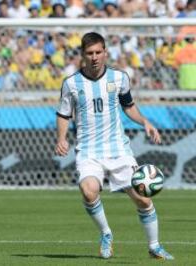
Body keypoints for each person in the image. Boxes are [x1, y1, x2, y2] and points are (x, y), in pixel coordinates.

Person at [55, 32, 174, 260]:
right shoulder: (71, 84)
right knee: (88, 191)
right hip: (88, 150)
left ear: (106, 52)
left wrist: (145, 122)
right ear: (82, 55)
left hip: (118, 149)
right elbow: (63, 114)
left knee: (143, 198)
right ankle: (106, 233)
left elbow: (128, 106)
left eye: (99, 52)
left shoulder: (119, 78)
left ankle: (154, 246)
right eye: (90, 53)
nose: (95, 57)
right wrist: (61, 138)